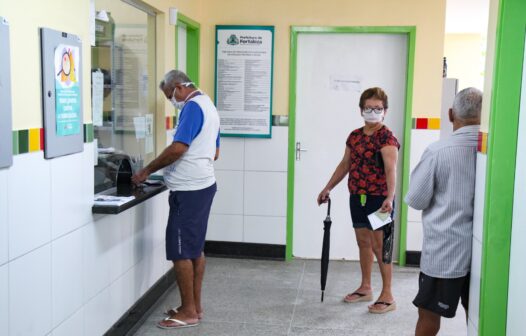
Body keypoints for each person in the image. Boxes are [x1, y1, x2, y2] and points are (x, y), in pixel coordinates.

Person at [131, 70, 220, 330]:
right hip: (203, 186)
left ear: (180, 87)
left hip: (190, 190)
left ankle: (189, 312)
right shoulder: (208, 104)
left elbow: (179, 147)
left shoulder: (192, 107)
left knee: (181, 251)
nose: (172, 101)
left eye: (171, 96)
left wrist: (147, 170)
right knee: (194, 248)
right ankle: (194, 306)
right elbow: (214, 152)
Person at [405, 87, 482, 336]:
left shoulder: (438, 151)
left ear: (451, 115)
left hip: (444, 255)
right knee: (478, 318)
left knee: (428, 316)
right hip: (484, 255)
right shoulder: (493, 152)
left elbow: (416, 200)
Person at [317, 87, 399, 314]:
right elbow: (345, 164)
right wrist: (328, 187)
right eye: (368, 108)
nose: (373, 112)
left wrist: (390, 198)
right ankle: (366, 287)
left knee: (381, 247)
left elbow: (391, 170)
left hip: (380, 200)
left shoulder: (387, 137)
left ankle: (388, 294)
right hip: (358, 197)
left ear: (385, 111)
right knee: (363, 242)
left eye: (377, 108)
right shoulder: (355, 136)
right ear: (361, 109)